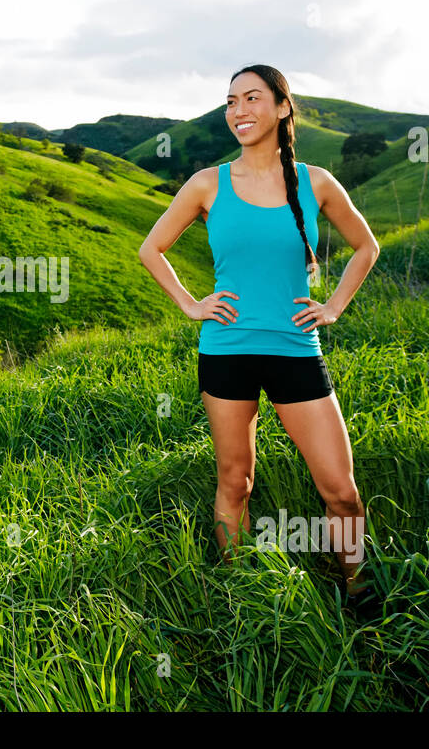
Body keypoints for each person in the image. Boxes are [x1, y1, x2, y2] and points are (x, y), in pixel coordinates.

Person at [137, 64, 381, 608]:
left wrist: (335, 305)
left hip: (296, 350)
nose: (238, 111)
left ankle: (361, 594)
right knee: (235, 483)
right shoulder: (207, 184)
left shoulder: (316, 182)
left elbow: (367, 247)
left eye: (251, 98)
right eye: (230, 102)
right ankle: (237, 597)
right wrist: (191, 304)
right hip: (226, 352)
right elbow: (150, 249)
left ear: (281, 107)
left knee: (341, 492)